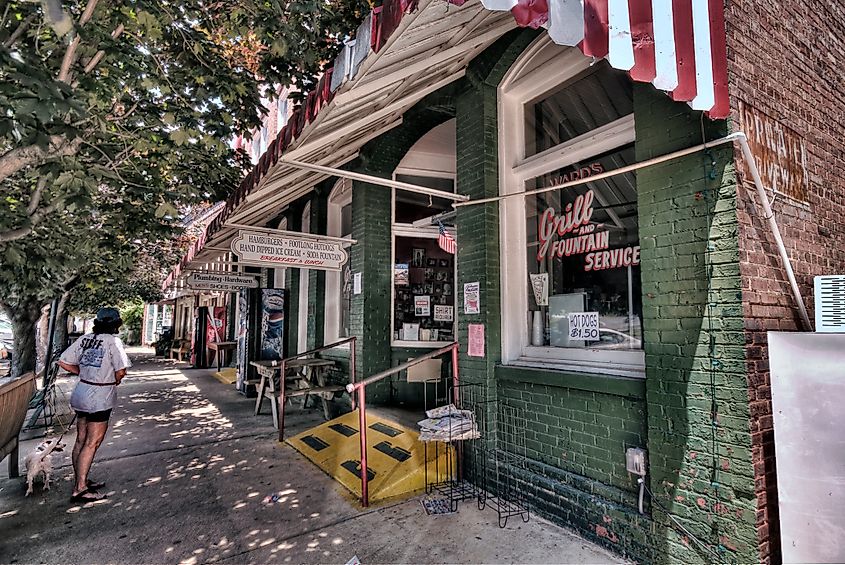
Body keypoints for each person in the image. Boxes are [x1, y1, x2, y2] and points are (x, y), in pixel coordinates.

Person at [58, 307, 131, 502]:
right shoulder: (113, 342)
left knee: (81, 440)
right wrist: (113, 380)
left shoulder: (85, 339)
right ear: (116, 324)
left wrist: (82, 373)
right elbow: (121, 371)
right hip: (100, 396)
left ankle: (81, 479)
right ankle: (80, 488)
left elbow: (63, 361)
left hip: (81, 392)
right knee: (93, 442)